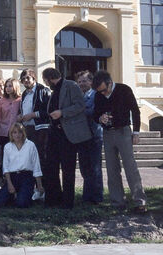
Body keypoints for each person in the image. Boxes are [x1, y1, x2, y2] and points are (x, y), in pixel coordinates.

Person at [92, 70, 147, 213]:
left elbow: (135, 111)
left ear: (110, 83)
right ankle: (117, 202)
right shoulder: (98, 95)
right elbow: (95, 114)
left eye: (104, 90)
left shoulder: (124, 90)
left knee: (130, 167)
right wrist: (100, 118)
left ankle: (139, 201)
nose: (102, 93)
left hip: (124, 132)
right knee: (112, 169)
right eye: (100, 92)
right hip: (108, 134)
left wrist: (136, 132)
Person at [42, 67, 92, 209]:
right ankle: (53, 199)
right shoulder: (54, 91)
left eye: (45, 81)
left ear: (49, 78)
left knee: (67, 168)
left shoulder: (71, 85)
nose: (46, 84)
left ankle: (67, 202)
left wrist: (62, 112)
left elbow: (80, 105)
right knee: (50, 166)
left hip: (68, 135)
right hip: (54, 133)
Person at [0, 123, 43, 208]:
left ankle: (25, 195)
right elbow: (5, 167)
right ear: (11, 134)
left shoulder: (30, 145)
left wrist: (39, 186)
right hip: (12, 177)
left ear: (23, 133)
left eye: (19, 132)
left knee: (21, 203)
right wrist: (9, 183)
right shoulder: (7, 147)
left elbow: (36, 166)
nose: (17, 135)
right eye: (14, 132)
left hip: (27, 176)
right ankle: (14, 195)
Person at [76, 70, 104, 204]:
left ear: (91, 82)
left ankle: (97, 197)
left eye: (84, 81)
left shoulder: (96, 95)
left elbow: (95, 111)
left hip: (94, 136)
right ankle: (87, 197)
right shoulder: (77, 96)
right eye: (79, 81)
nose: (82, 83)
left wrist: (78, 111)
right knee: (84, 167)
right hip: (81, 136)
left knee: (95, 168)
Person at [17, 69, 50, 177]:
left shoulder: (43, 90)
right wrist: (20, 116)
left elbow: (49, 111)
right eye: (23, 79)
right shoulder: (24, 94)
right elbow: (24, 110)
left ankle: (45, 188)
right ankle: (36, 186)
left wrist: (32, 115)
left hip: (41, 129)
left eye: (27, 78)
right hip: (27, 129)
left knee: (42, 159)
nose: (25, 81)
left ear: (33, 78)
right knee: (30, 159)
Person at [0, 78, 21, 148]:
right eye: (6, 86)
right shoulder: (1, 101)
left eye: (10, 86)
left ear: (15, 86)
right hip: (4, 132)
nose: (7, 88)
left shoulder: (20, 100)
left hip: (17, 133)